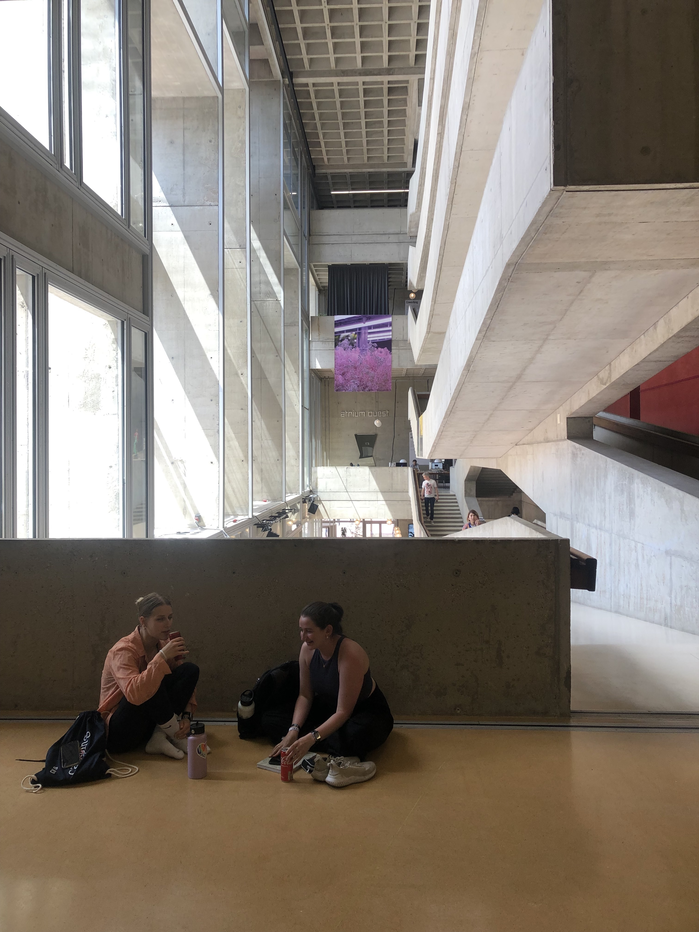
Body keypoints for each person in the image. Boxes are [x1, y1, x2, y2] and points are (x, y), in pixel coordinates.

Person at [267, 602, 393, 786]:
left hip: (363, 712)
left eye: (309, 631)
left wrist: (310, 737)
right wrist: (293, 730)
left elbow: (343, 712)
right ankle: (326, 745)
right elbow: (305, 696)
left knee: (353, 735)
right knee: (271, 719)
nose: (303, 637)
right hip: (329, 707)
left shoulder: (350, 653)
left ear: (327, 630)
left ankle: (332, 751)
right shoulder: (307, 650)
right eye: (301, 630)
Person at [98, 593, 199, 759]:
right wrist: (161, 658)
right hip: (119, 733)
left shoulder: (164, 644)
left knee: (189, 670)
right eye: (160, 619)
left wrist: (187, 716)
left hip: (148, 724)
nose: (168, 624)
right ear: (143, 621)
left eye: (170, 617)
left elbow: (184, 683)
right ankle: (175, 735)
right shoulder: (122, 650)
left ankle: (160, 736)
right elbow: (135, 694)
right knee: (151, 682)